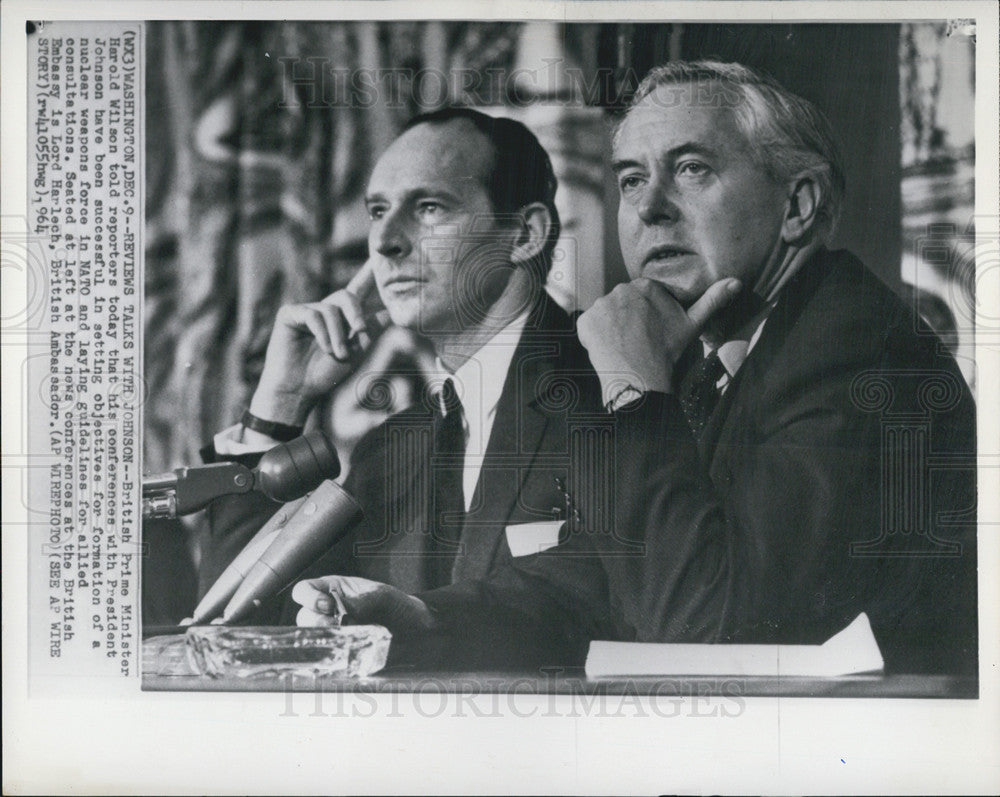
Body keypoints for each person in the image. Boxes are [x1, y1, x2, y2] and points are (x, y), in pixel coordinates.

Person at [295, 61, 978, 676]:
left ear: (796, 206)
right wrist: (424, 617)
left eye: (692, 169)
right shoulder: (721, 349)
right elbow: (591, 581)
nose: (649, 207)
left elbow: (712, 632)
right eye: (630, 179)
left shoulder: (857, 348)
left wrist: (631, 391)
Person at [198, 108, 603, 625]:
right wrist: (278, 405)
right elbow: (238, 628)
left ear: (524, 234)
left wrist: (421, 617)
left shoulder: (615, 387)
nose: (386, 242)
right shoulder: (388, 451)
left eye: (429, 208)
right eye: (377, 211)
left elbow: (589, 603)